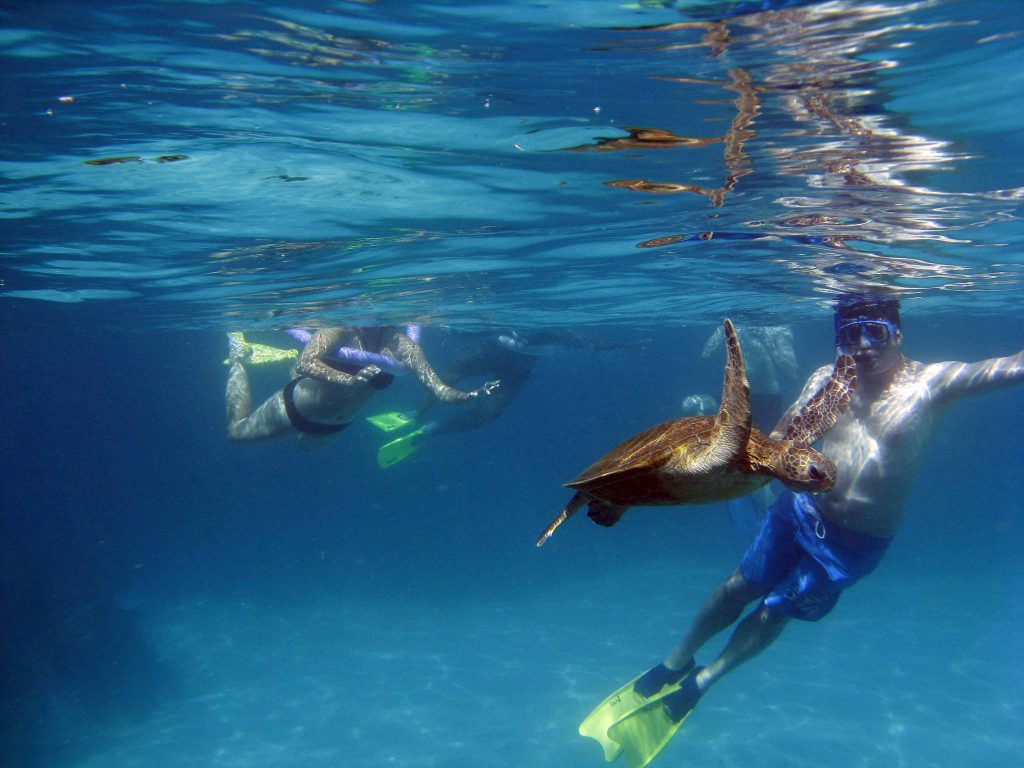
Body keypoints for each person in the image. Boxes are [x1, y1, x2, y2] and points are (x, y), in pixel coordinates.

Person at [624, 293, 1024, 730]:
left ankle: (703, 681)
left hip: (855, 543)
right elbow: (781, 436)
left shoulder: (932, 385)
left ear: (898, 333)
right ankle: (675, 661)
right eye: (851, 335)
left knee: (773, 610)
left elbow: (1013, 367)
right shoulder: (827, 380)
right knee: (739, 585)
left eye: (877, 332)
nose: (864, 346)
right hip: (799, 511)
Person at [369, 329, 647, 468]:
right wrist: (456, 331)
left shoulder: (562, 334)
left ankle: (428, 430)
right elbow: (480, 329)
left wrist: (626, 345)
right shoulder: (511, 324)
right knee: (448, 377)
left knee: (489, 412)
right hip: (492, 350)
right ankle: (416, 414)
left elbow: (593, 344)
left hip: (518, 368)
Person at [225, 326, 498, 448]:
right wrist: (348, 379)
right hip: (295, 409)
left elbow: (438, 388)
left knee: (305, 448)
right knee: (236, 432)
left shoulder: (403, 346)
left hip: (337, 426)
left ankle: (287, 365)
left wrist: (469, 395)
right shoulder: (336, 332)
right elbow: (308, 363)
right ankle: (238, 356)